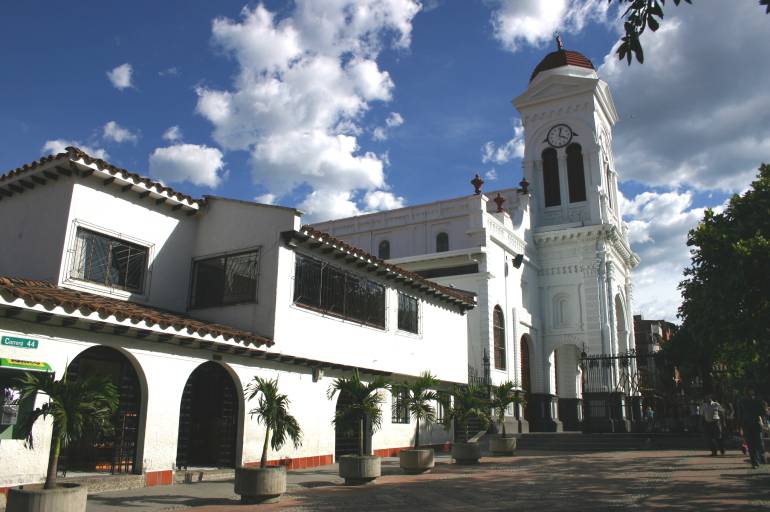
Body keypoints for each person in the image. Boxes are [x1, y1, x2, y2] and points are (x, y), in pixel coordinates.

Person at [738, 388, 767, 469]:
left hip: (756, 424)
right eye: (749, 390)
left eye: (752, 390)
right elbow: (740, 414)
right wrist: (739, 426)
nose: (751, 392)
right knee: (751, 445)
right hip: (747, 424)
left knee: (758, 443)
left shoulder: (758, 400)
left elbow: (763, 412)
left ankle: (760, 457)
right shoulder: (743, 401)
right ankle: (755, 462)